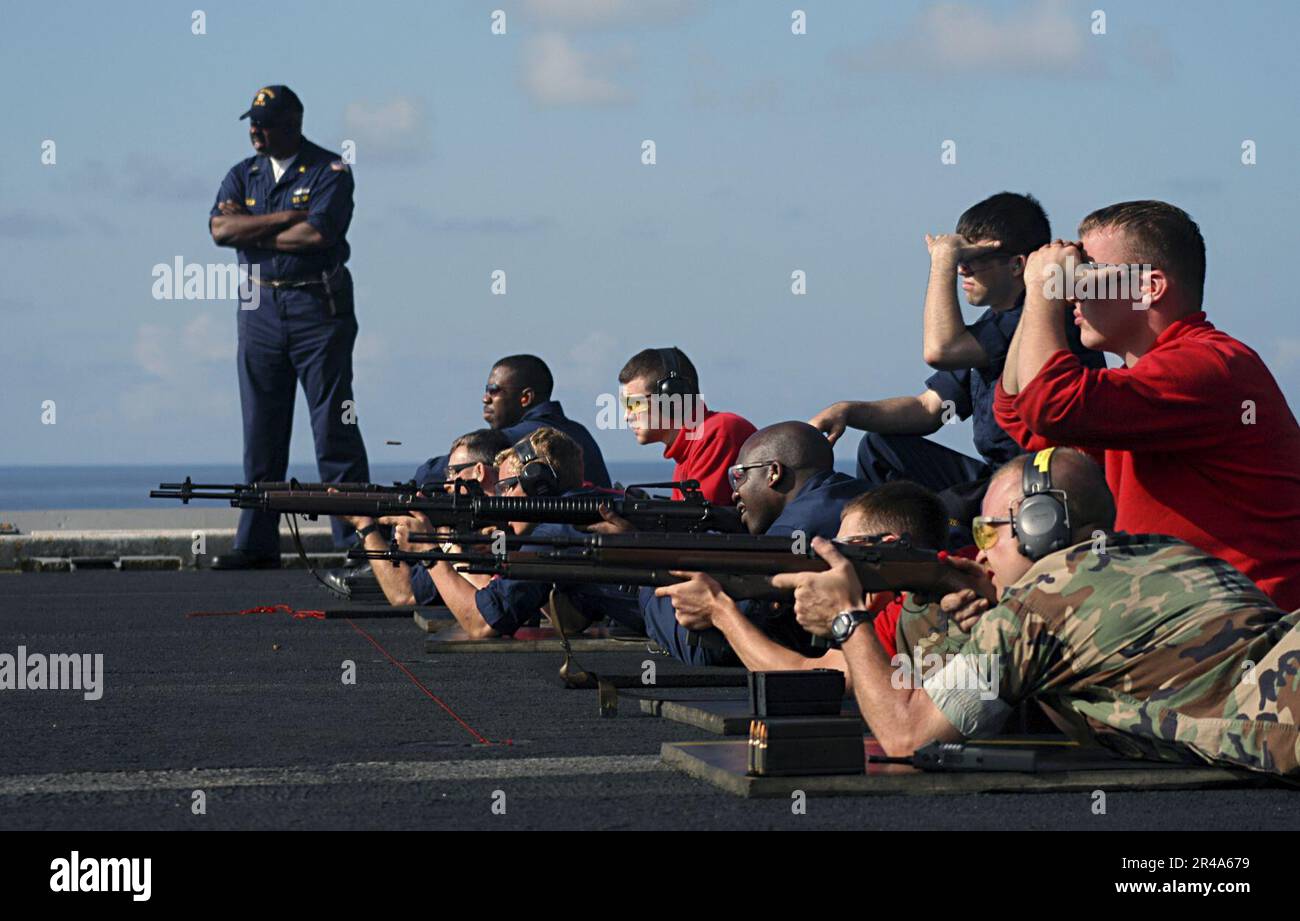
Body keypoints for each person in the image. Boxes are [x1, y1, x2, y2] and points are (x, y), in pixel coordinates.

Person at [778, 447, 1300, 778]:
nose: (979, 552)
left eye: (987, 531)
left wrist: (849, 616)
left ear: (1038, 526)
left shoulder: (1035, 607)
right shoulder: (1170, 552)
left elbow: (907, 734)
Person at [995, 200, 1300, 611]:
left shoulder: (1208, 366)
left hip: (1248, 635)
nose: (1072, 294)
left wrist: (1043, 290)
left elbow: (1048, 405)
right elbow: (1021, 413)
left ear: (1148, 288)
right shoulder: (1140, 384)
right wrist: (1038, 291)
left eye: (1086, 276)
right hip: (1191, 623)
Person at [808, 193, 1104, 541]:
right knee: (880, 448)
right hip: (997, 473)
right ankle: (873, 547)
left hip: (1041, 482)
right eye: (960, 257)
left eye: (973, 258)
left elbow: (940, 350)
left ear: (1016, 265)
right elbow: (928, 408)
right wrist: (848, 411)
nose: (963, 268)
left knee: (947, 510)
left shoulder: (1039, 320)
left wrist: (943, 261)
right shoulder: (991, 328)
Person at [208, 85, 369, 569]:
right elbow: (220, 230)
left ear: (293, 124)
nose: (256, 130)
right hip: (259, 308)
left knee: (332, 426)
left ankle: (358, 544)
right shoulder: (243, 174)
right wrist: (284, 217)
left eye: (266, 122)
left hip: (316, 307)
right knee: (261, 430)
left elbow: (317, 233)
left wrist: (253, 223)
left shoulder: (329, 171)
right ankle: (256, 544)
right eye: (253, 122)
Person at [654, 480, 986, 682]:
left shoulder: (916, 604)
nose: (833, 563)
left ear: (887, 548)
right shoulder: (907, 603)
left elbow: (805, 676)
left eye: (844, 549)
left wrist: (719, 611)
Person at [645, 422, 869, 666]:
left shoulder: (791, 537)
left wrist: (649, 587)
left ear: (773, 472)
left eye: (739, 476)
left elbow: (714, 650)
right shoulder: (859, 497)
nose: (734, 493)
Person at [423, 428, 641, 639]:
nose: (501, 499)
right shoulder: (588, 509)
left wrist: (429, 551)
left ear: (538, 485)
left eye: (506, 487)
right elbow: (572, 622)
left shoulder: (556, 532)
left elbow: (482, 623)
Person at [332, 429, 510, 606]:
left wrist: (365, 526)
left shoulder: (507, 528)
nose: (447, 484)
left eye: (453, 472)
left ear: (479, 471)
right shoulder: (480, 527)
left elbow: (404, 595)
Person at [415, 354, 610, 489]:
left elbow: (430, 474)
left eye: (494, 390)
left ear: (525, 398)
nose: (485, 398)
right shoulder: (579, 432)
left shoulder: (523, 438)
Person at [615, 347, 756, 504]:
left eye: (633, 404)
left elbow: (703, 525)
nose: (627, 416)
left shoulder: (717, 434)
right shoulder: (687, 456)